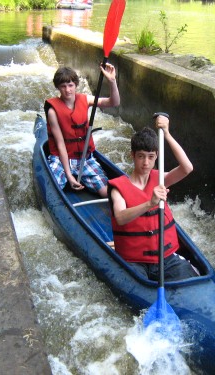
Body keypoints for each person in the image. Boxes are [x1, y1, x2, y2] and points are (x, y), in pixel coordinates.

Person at [108, 114, 198, 281]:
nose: (146, 163)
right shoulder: (118, 188)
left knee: (192, 279)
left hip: (165, 258)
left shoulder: (161, 179)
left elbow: (187, 168)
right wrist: (150, 203)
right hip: (134, 260)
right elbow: (120, 217)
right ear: (132, 156)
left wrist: (167, 133)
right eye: (141, 156)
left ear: (157, 156)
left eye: (150, 157)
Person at [44, 64, 120, 198]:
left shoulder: (86, 99)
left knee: (106, 192)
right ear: (58, 87)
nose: (67, 90)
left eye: (70, 85)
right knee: (53, 191)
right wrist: (69, 175)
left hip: (84, 157)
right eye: (63, 86)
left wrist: (112, 81)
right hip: (62, 159)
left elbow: (114, 102)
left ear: (76, 85)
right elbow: (60, 144)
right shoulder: (52, 111)